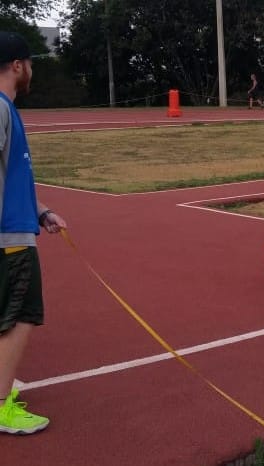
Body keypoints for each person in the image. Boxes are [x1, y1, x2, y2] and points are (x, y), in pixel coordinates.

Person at [0, 31, 67, 435]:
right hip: (10, 239)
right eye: (30, 63)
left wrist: (42, 212)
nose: (32, 70)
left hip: (19, 228)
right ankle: (1, 407)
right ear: (17, 66)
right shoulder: (1, 108)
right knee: (21, 316)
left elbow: (12, 179)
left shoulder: (7, 109)